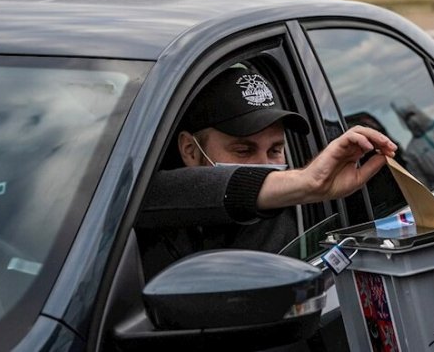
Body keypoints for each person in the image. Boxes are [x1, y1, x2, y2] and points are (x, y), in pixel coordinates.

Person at [137, 66, 396, 276]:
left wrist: (307, 184)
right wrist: (305, 181)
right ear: (191, 150)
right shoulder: (136, 202)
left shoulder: (289, 217)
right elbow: (153, 194)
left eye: (275, 150)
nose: (265, 166)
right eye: (243, 150)